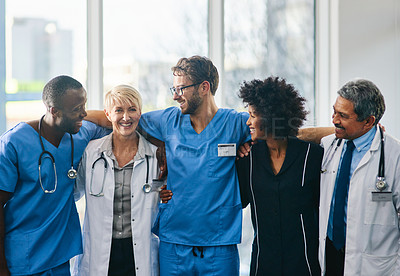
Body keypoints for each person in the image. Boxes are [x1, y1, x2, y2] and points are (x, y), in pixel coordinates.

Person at [137, 56, 250, 275]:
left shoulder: (234, 123)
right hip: (175, 243)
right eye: (174, 88)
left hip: (219, 243)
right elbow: (123, 119)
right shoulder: (169, 120)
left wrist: (250, 145)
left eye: (181, 89)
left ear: (204, 87)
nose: (174, 96)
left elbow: (277, 131)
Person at [0, 75, 110, 275]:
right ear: (53, 111)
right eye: (77, 110)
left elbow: (116, 119)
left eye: (84, 106)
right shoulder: (14, 143)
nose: (84, 114)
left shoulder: (80, 134)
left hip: (59, 257)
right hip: (21, 259)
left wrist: (160, 145)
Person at [236, 77, 323, 276]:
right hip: (263, 263)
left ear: (269, 116)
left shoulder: (312, 156)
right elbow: (237, 202)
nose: (248, 121)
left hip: (304, 264)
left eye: (252, 115)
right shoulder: (247, 159)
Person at [72, 85, 161, 276]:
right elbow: (72, 194)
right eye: (119, 110)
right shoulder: (91, 152)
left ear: (140, 113)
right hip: (101, 250)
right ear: (107, 114)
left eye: (132, 110)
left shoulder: (155, 156)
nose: (126, 117)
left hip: (138, 251)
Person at [319, 79, 400, 275]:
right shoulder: (328, 145)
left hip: (375, 264)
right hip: (331, 256)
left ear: (369, 122)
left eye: (343, 116)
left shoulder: (393, 155)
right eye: (334, 111)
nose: (334, 119)